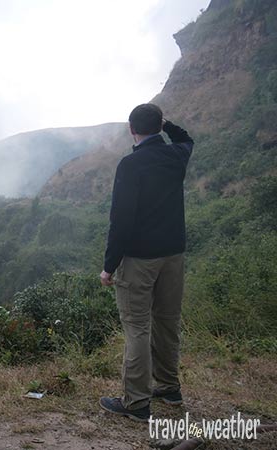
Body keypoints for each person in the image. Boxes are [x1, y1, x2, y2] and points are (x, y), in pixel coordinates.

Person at [98, 103, 194, 422]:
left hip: (139, 258)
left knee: (137, 327)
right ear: (159, 125)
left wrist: (109, 265)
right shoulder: (176, 154)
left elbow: (121, 220)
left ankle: (136, 402)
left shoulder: (131, 165)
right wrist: (165, 124)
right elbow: (185, 138)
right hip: (173, 255)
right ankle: (168, 388)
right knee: (167, 320)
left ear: (131, 129)